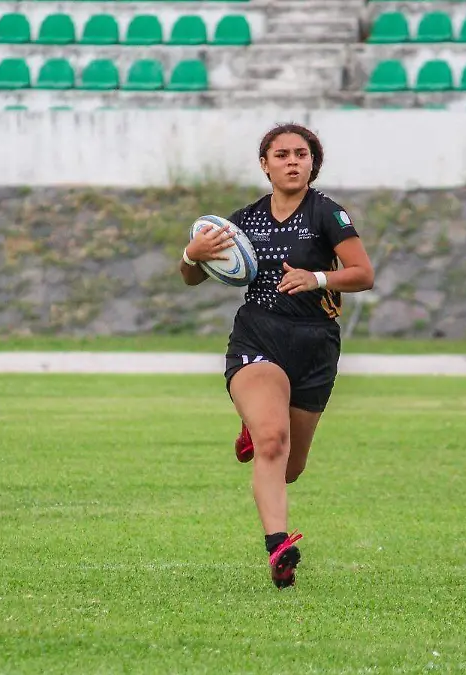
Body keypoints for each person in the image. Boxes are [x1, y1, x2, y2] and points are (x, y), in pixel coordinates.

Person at [179, 123, 375, 588]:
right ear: (265, 163)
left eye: (301, 154)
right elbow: (192, 277)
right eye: (281, 154)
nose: (292, 161)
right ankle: (279, 547)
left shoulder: (328, 214)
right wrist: (192, 254)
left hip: (315, 345)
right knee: (271, 440)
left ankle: (256, 425)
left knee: (290, 466)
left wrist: (318, 278)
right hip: (258, 338)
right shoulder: (242, 222)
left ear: (312, 163)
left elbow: (363, 273)